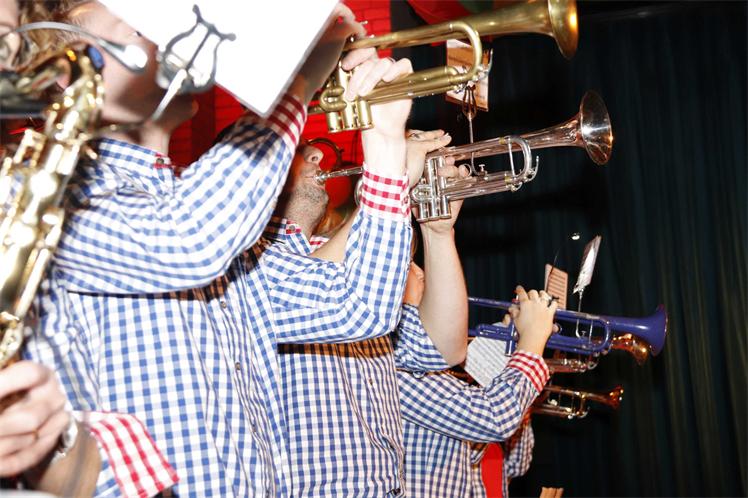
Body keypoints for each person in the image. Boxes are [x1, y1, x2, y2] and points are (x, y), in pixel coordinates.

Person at [21, 1, 420, 496]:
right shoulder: (53, 199)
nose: (167, 36)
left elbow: (358, 307)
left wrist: (385, 141)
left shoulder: (209, 209)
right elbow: (188, 241)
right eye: (140, 25)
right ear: (67, 76)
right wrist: (294, 80)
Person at [274, 129, 470, 496]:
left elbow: (444, 348)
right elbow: (307, 288)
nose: (318, 156)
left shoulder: (348, 251)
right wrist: (388, 180)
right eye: (297, 150)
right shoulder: (244, 264)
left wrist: (437, 232)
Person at [397, 285, 557, 497]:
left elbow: (507, 460)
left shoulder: (434, 372)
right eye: (411, 272)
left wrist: (513, 348)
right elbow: (495, 418)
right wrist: (532, 339)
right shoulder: (399, 370)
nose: (422, 276)